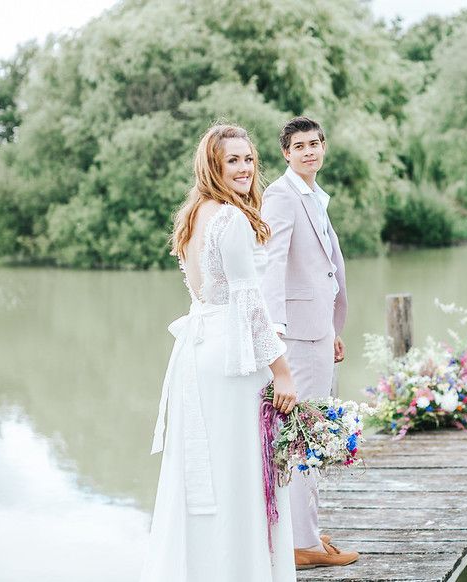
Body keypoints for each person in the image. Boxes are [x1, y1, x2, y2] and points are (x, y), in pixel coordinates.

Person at [140, 124, 297, 582]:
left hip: (202, 353)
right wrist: (283, 372)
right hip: (234, 357)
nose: (245, 168)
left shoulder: (196, 213)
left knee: (211, 470)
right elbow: (250, 306)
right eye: (234, 160)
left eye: (249, 159)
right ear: (214, 165)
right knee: (240, 472)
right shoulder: (228, 218)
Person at [261, 116, 358, 569]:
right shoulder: (281, 196)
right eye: (299, 146)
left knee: (310, 435)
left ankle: (306, 533)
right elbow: (272, 264)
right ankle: (304, 545)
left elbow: (323, 270)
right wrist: (275, 336)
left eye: (315, 143)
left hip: (318, 331)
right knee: (302, 437)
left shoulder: (314, 196)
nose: (309, 152)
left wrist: (332, 329)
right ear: (286, 153)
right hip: (296, 336)